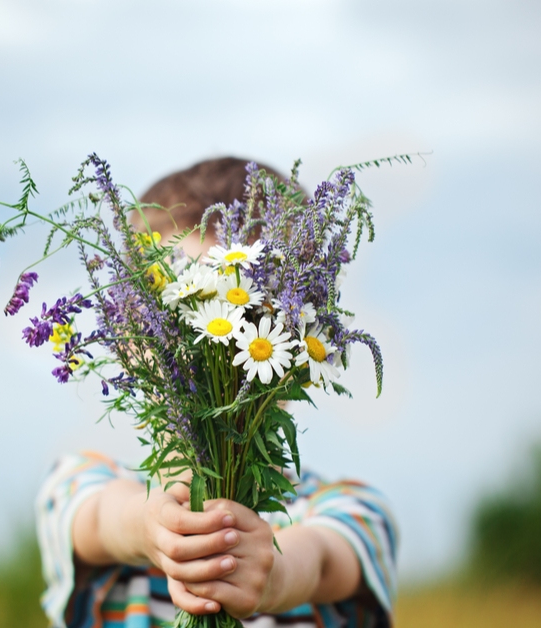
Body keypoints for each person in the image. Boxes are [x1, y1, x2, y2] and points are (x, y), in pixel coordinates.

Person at [35, 157, 398, 627]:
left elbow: (326, 558)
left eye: (245, 315)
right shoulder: (84, 486)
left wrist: (274, 576)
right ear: (126, 336)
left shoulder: (346, 509)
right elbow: (91, 518)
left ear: (298, 335)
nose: (210, 351)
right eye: (172, 318)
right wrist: (148, 529)